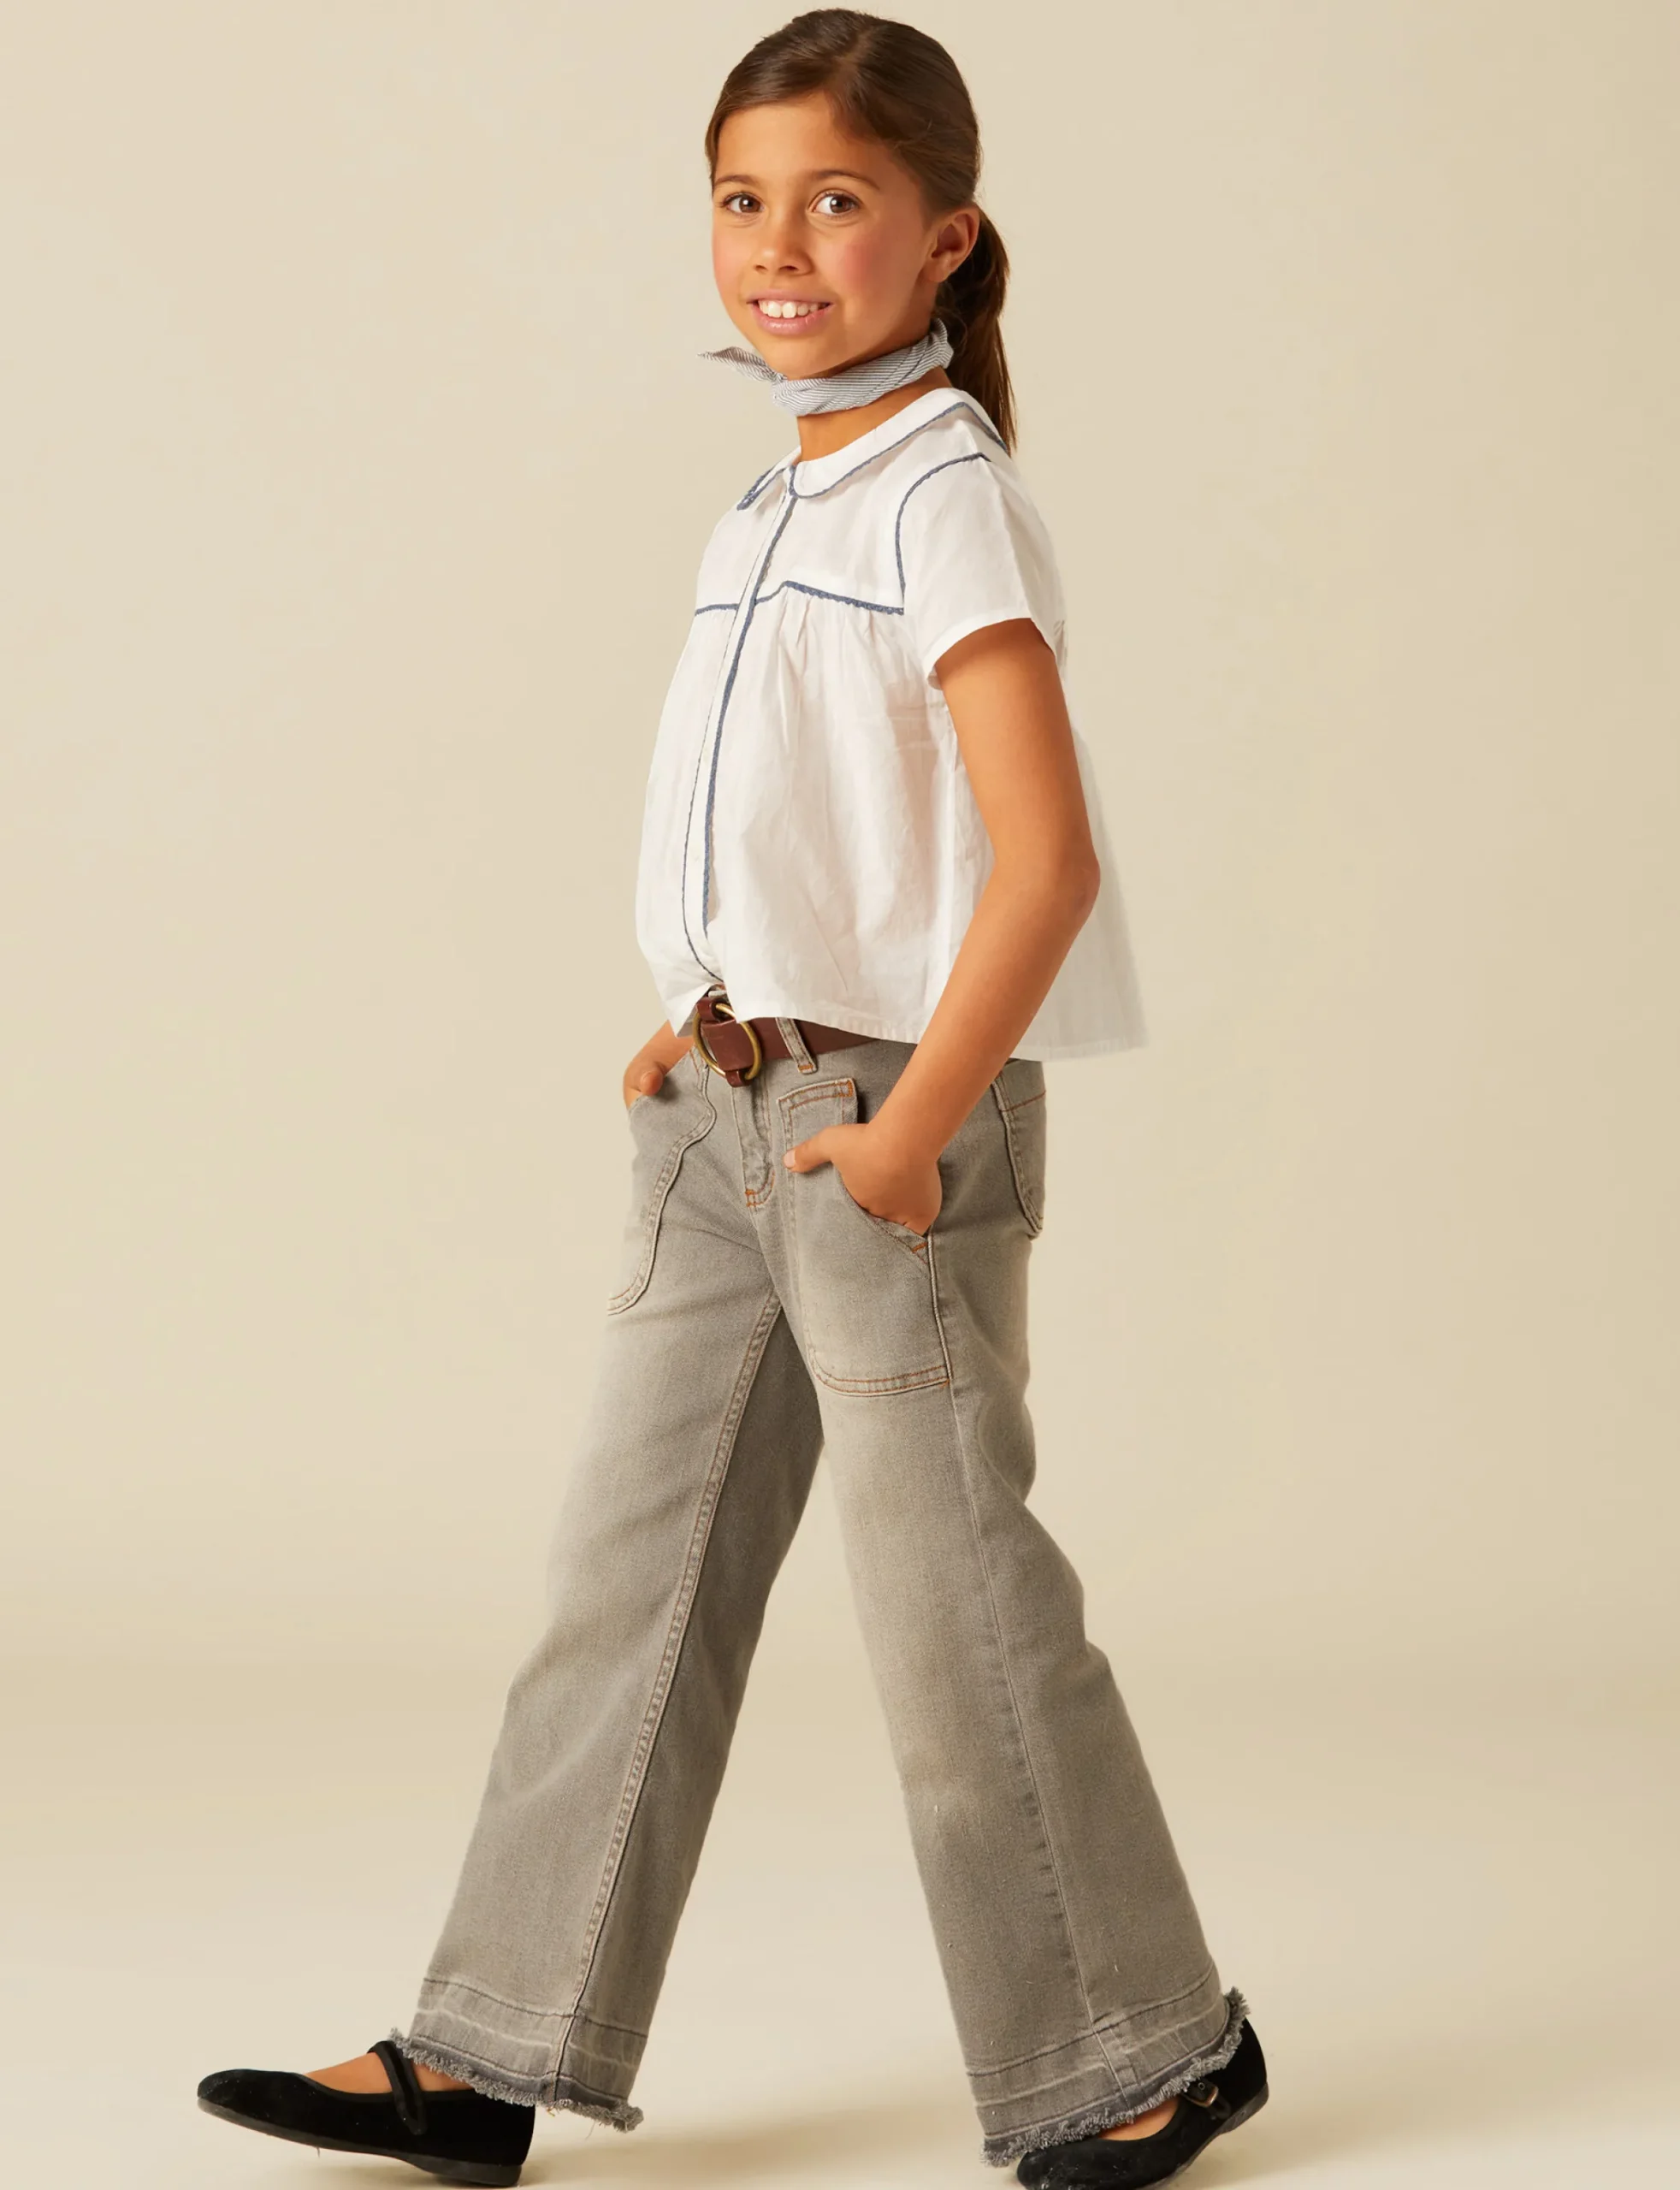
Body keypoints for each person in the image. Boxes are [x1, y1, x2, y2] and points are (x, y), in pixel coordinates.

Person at [195, 12, 1267, 2187]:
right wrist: (696, 1003)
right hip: (724, 1112)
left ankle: (1145, 2046)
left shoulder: (945, 494)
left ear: (942, 238)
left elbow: (1043, 863)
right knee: (627, 1582)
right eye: (739, 199)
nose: (778, 244)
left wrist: (910, 1127)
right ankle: (486, 2050)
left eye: (835, 200)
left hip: (887, 1124)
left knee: (950, 1608)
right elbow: (798, 817)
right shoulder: (775, 492)